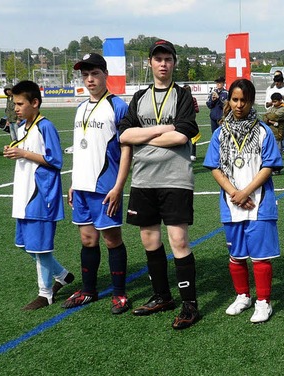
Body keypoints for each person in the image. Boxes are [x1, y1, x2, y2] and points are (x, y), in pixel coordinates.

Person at [118, 39, 201, 330]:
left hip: (175, 179)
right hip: (143, 180)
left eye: (168, 59)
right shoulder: (139, 96)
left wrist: (144, 135)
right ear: (150, 63)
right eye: (158, 59)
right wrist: (164, 128)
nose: (163, 64)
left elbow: (183, 136)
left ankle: (190, 305)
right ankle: (162, 296)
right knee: (150, 241)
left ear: (174, 63)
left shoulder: (183, 94)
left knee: (178, 240)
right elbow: (124, 135)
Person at [203, 78, 283, 323]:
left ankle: (263, 302)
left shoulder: (263, 131)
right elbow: (215, 167)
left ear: (251, 101)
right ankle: (242, 296)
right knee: (237, 255)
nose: (239, 105)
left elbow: (269, 165)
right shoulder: (220, 133)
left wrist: (246, 191)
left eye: (244, 100)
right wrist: (233, 193)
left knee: (260, 256)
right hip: (232, 204)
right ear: (229, 100)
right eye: (235, 100)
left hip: (259, 203)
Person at [59, 53, 131, 314]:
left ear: (105, 75)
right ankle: (89, 291)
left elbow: (126, 150)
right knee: (88, 240)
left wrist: (119, 186)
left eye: (95, 74)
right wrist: (73, 182)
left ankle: (120, 294)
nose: (90, 79)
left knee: (112, 240)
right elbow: (80, 150)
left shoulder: (118, 106)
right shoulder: (80, 109)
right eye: (85, 75)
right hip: (81, 186)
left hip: (106, 188)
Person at [3, 80, 74, 310]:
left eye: (20, 103)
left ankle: (45, 294)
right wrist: (15, 152)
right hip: (23, 196)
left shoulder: (46, 126)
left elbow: (56, 161)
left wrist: (23, 152)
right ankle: (62, 275)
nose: (16, 108)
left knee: (40, 247)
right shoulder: (23, 127)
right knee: (24, 244)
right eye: (14, 104)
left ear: (35, 103)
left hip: (40, 196)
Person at [265, 72, 284, 153]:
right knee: (272, 137)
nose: (276, 83)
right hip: (272, 115)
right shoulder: (270, 90)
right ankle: (275, 152)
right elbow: (267, 105)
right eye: (275, 82)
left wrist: (283, 99)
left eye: (278, 82)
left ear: (281, 82)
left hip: (283, 118)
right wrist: (274, 102)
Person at [184, 84, 201, 161]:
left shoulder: (193, 99)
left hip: (191, 121)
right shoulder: (180, 100)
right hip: (183, 122)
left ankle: (193, 154)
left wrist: (191, 109)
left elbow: (197, 109)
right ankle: (185, 154)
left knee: (193, 138)